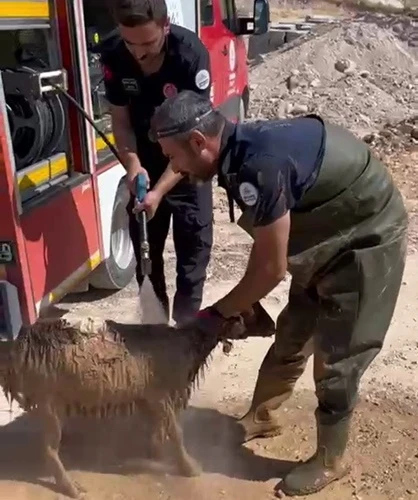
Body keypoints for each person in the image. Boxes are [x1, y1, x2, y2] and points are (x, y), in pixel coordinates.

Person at [148, 89, 408, 496]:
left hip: (364, 236)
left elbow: (271, 268)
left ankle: (331, 459)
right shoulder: (234, 150)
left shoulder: (260, 166)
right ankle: (263, 415)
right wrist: (158, 191)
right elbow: (268, 246)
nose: (173, 166)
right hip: (323, 234)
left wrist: (215, 316)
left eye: (172, 156)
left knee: (338, 357)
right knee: (292, 334)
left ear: (199, 141)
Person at [99, 0, 213, 324]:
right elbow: (120, 121)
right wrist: (133, 166)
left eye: (147, 43)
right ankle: (155, 334)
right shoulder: (113, 53)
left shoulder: (190, 56)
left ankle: (185, 343)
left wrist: (161, 191)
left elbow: (195, 139)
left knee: (192, 263)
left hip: (189, 167)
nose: (138, 53)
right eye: (130, 43)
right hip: (145, 169)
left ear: (165, 27)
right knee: (148, 262)